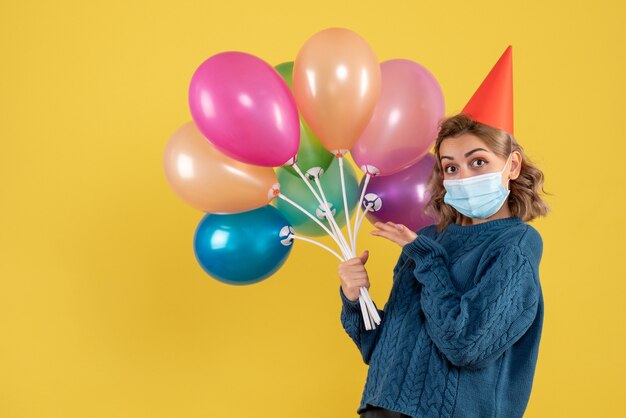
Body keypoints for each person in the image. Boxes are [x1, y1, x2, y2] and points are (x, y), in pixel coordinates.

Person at [338, 46, 550, 418]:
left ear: (512, 165)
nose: (462, 176)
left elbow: (466, 344)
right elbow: (379, 348)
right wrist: (357, 299)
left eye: (478, 162)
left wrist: (425, 257)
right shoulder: (429, 241)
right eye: (450, 167)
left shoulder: (514, 247)